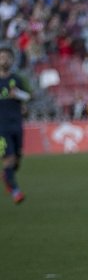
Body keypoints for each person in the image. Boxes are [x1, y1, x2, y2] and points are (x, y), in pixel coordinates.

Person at [0, 45, 31, 204]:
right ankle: (15, 191)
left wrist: (18, 95)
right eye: (1, 57)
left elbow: (29, 96)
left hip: (16, 124)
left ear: (12, 60)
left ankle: (7, 176)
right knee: (9, 158)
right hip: (1, 128)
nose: (4, 60)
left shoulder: (17, 79)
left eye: (7, 57)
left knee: (17, 160)